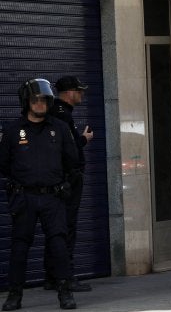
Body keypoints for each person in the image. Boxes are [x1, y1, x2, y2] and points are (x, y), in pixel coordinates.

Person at [0, 78, 79, 310]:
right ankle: (14, 295)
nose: (40, 104)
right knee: (20, 247)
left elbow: (72, 161)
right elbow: (3, 164)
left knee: (58, 245)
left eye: (44, 100)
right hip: (24, 198)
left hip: (52, 198)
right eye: (35, 100)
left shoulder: (60, 128)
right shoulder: (13, 131)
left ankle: (65, 292)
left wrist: (62, 185)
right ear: (26, 102)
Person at [44, 76, 94, 293]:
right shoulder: (62, 115)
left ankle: (52, 276)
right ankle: (65, 277)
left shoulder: (57, 113)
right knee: (66, 228)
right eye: (79, 90)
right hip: (67, 180)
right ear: (69, 92)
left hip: (58, 179)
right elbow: (70, 148)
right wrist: (85, 139)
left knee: (56, 228)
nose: (82, 94)